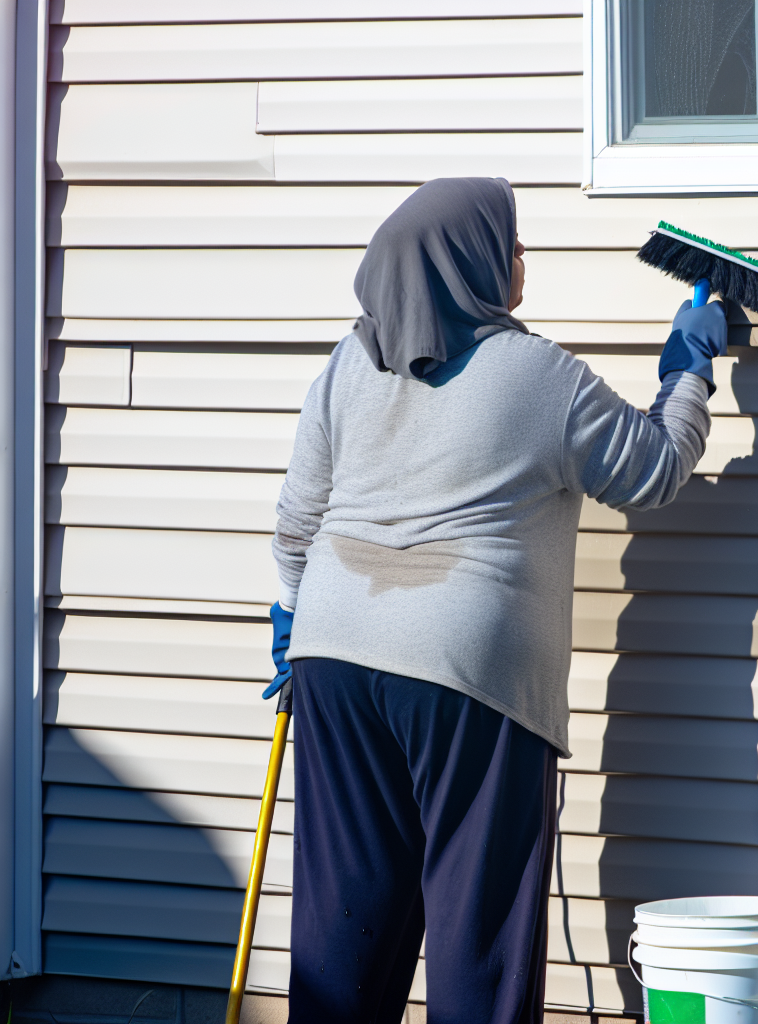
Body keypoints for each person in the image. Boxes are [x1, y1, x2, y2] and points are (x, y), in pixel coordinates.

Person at [267, 177, 727, 1024]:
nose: (520, 256)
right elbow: (656, 469)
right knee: (476, 925)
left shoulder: (348, 363)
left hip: (331, 655)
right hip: (466, 676)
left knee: (346, 919)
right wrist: (688, 370)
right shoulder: (537, 374)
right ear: (463, 262)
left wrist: (292, 617)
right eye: (507, 243)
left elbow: (298, 520)